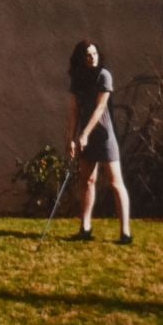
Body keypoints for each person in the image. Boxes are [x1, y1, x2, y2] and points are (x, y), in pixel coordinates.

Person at [67, 39, 134, 243]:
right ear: (81, 58)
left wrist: (84, 134)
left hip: (103, 136)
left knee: (115, 183)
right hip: (84, 137)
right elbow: (74, 111)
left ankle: (125, 233)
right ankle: (85, 229)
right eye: (88, 54)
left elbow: (100, 108)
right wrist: (71, 139)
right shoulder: (77, 79)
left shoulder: (104, 76)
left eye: (95, 54)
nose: (92, 57)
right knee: (87, 181)